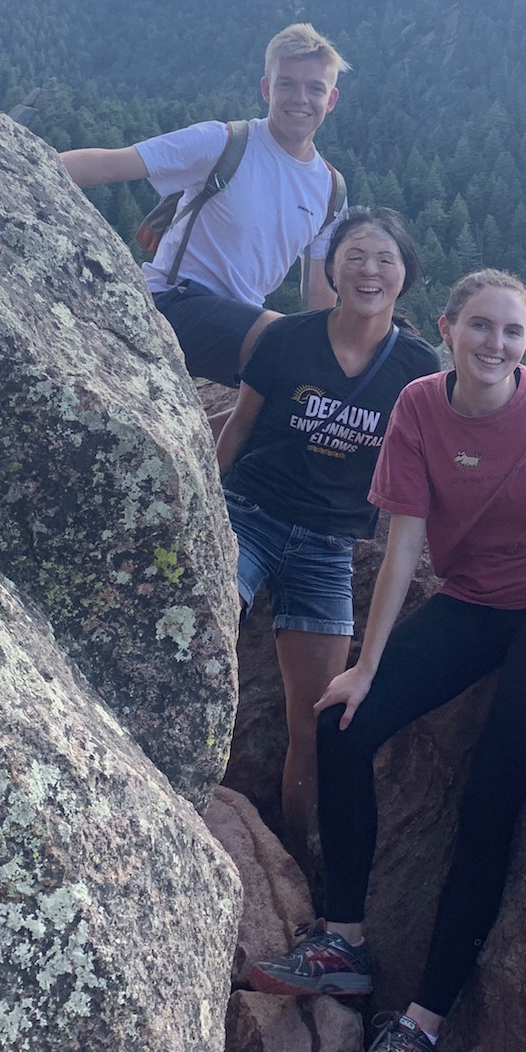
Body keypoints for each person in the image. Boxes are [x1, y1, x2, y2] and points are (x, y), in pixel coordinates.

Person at [248, 269, 526, 1052]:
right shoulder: (419, 405)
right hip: (476, 596)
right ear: (448, 330)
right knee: (340, 722)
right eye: (480, 327)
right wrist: (367, 665)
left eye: (512, 332)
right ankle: (344, 939)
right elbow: (404, 545)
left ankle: (419, 1025)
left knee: (490, 797)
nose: (496, 344)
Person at [214, 207, 440, 859]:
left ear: (405, 276)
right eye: (357, 256)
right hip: (248, 517)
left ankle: (293, 862)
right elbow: (240, 426)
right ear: (333, 268)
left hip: (329, 547)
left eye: (385, 259)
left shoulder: (417, 370)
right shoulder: (287, 339)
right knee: (203, 625)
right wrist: (201, 502)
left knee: (317, 723)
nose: (370, 269)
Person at [58, 22, 350, 388]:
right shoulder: (224, 143)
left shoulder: (330, 191)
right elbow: (110, 164)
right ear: (266, 89)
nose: (300, 98)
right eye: (286, 83)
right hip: (172, 304)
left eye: (315, 88)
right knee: (281, 341)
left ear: (332, 99)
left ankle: (207, 444)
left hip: (242, 321)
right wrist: (17, 160)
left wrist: (328, 363)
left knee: (301, 382)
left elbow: (319, 297)